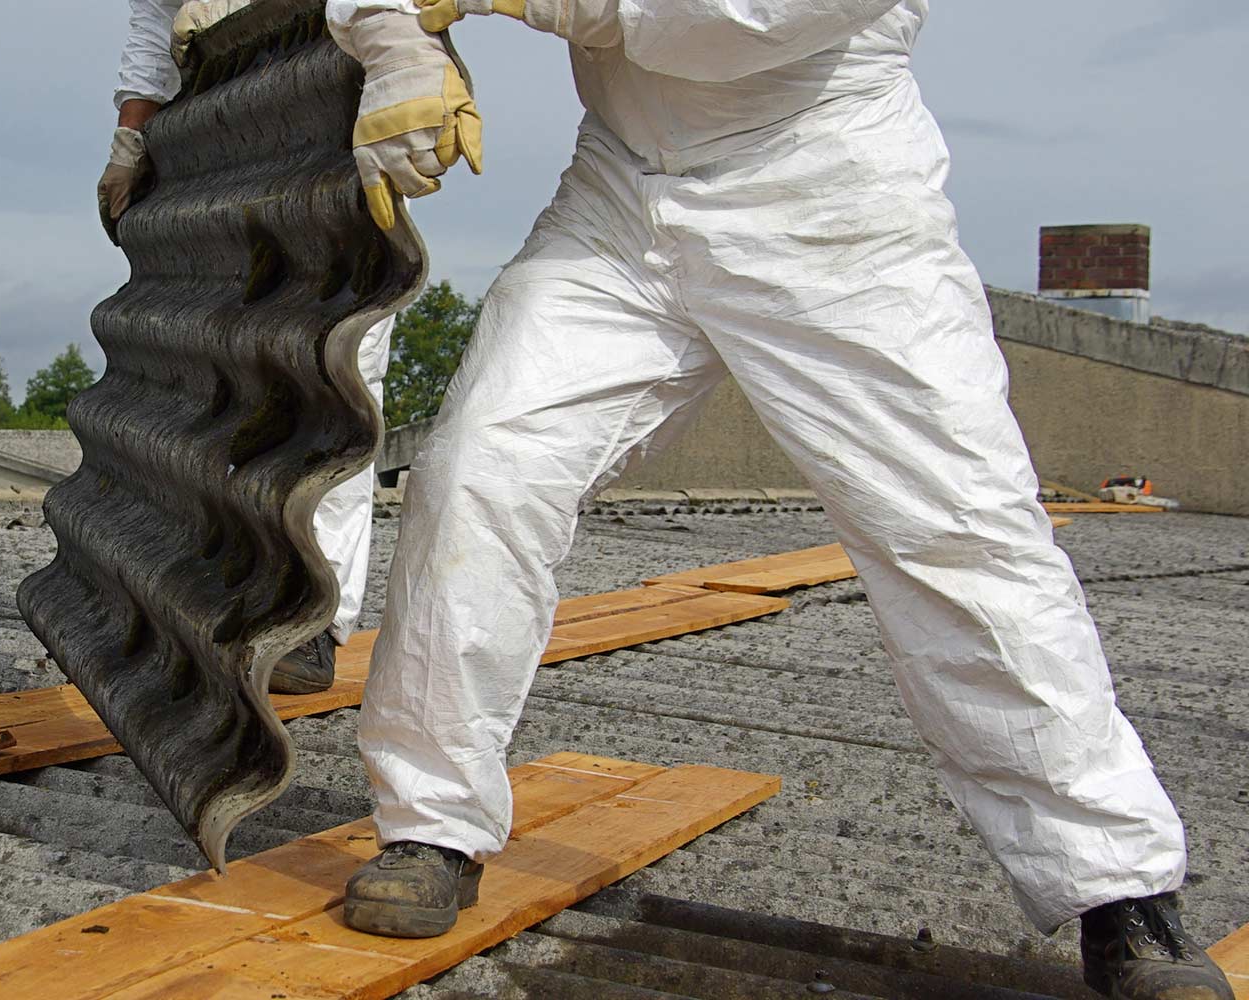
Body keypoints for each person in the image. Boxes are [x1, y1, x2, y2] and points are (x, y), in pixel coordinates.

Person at [320, 2, 1229, 998]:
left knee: (959, 533)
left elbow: (729, 20)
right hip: (622, 193)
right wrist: (393, 39)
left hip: (830, 200)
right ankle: (429, 826)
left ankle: (1120, 891)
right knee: (478, 469)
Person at [102, 0, 394, 695]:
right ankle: (211, 592)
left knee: (335, 368)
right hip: (216, 117)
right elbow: (153, 14)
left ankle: (314, 619)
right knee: (212, 363)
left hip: (331, 93)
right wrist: (133, 134)